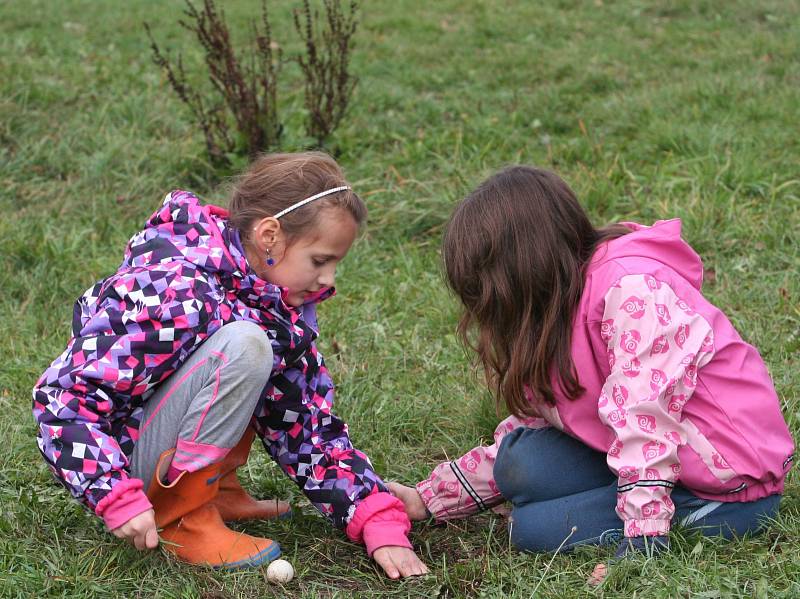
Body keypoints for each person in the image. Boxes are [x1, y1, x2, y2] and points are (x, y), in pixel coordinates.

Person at [32, 152, 427, 578]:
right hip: (127, 467)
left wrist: (375, 516)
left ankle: (215, 488)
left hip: (151, 450)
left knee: (255, 345)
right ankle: (185, 513)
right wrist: (114, 494)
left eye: (335, 264)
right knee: (245, 345)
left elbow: (305, 425)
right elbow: (62, 397)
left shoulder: (270, 302)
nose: (329, 279)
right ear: (270, 236)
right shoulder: (178, 292)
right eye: (320, 261)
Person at [388, 165, 794, 571]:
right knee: (519, 462)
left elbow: (644, 424)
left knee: (533, 529)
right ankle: (622, 497)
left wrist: (643, 545)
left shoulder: (632, 293)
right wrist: (430, 499)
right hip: (659, 456)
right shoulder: (554, 314)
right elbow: (540, 420)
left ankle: (671, 514)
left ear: (524, 272)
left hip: (727, 483)